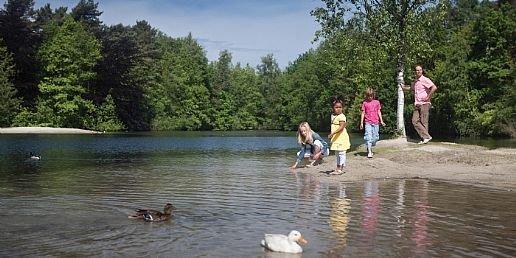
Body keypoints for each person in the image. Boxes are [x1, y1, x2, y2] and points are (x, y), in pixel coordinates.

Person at [400, 65, 437, 144]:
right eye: (417, 70)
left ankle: (425, 138)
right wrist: (403, 87)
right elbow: (411, 88)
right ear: (415, 72)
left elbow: (434, 87)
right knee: (414, 121)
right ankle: (426, 137)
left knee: (424, 122)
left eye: (419, 70)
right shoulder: (415, 81)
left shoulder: (425, 79)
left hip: (424, 103)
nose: (418, 71)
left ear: (422, 71)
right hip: (417, 104)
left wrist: (428, 97)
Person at [360, 88, 386, 158]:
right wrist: (361, 123)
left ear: (373, 95)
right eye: (368, 96)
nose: (370, 97)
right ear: (366, 96)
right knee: (368, 136)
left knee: (375, 137)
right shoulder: (365, 103)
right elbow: (363, 113)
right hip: (368, 122)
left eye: (371, 96)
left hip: (376, 122)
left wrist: (382, 121)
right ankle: (369, 151)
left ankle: (370, 145)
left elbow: (379, 112)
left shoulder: (377, 102)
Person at [328, 98, 350, 175]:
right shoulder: (332, 116)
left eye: (340, 107)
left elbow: (341, 127)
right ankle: (337, 167)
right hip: (336, 138)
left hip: (341, 137)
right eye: (336, 107)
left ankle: (341, 168)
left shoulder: (342, 116)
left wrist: (332, 133)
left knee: (342, 152)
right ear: (333, 108)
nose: (338, 109)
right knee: (337, 153)